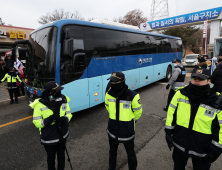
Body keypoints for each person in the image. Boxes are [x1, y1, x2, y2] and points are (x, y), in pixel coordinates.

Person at [165, 68, 222, 170]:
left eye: (201, 78)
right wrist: (168, 132)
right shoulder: (180, 94)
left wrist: (216, 149)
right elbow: (171, 114)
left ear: (209, 81)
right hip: (180, 144)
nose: (197, 80)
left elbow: (220, 127)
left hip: (202, 149)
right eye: (194, 77)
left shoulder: (216, 101)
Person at [30, 81, 73, 170]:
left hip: (62, 135)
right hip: (49, 138)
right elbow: (37, 122)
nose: (59, 92)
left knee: (61, 156)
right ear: (50, 92)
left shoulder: (64, 99)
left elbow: (69, 114)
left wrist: (64, 119)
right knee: (51, 159)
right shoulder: (39, 104)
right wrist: (49, 120)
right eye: (56, 91)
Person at [105, 71, 142, 170]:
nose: (112, 84)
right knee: (112, 152)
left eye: (115, 82)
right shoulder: (108, 94)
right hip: (112, 130)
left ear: (122, 82)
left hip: (127, 131)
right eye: (111, 82)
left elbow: (138, 112)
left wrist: (131, 121)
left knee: (130, 153)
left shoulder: (133, 95)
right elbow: (107, 107)